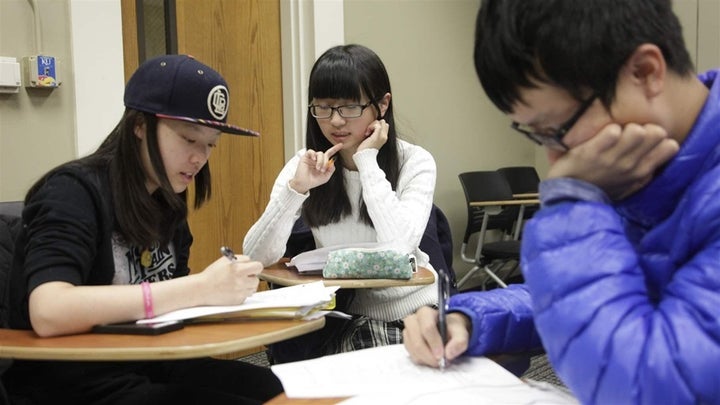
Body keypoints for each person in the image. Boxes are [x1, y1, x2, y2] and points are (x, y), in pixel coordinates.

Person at [403, 1, 720, 404]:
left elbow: (649, 387)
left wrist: (571, 200)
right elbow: (601, 293)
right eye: (539, 137)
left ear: (645, 72)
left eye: (556, 130)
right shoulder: (643, 171)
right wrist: (473, 318)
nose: (557, 161)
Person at [4, 54, 283, 404]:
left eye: (211, 144)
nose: (200, 158)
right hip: (76, 384)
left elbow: (176, 307)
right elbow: (49, 311)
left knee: (286, 390)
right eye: (188, 139)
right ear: (139, 126)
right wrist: (199, 287)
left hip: (154, 363)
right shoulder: (73, 192)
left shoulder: (167, 201)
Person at [243, 44, 438, 362]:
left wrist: (367, 160)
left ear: (382, 104)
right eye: (323, 107)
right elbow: (254, 256)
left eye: (349, 108)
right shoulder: (304, 165)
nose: (334, 121)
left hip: (415, 313)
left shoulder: (415, 162)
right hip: (342, 317)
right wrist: (296, 190)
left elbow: (401, 247)